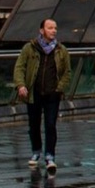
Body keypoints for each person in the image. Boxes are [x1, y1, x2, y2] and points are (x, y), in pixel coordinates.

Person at [13, 17, 72, 176]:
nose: (53, 31)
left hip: (52, 94)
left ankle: (50, 156)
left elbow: (67, 72)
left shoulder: (61, 50)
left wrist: (59, 88)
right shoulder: (29, 49)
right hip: (34, 93)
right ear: (41, 30)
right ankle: (36, 150)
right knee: (34, 124)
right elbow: (19, 67)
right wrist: (21, 85)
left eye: (55, 28)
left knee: (51, 125)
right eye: (50, 28)